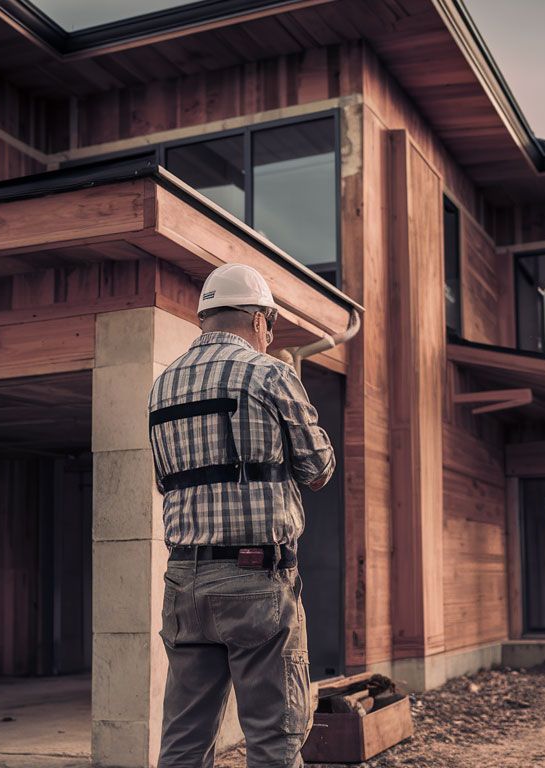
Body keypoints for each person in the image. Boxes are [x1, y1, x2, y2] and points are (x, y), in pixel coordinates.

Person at [149, 262, 335, 768]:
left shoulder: (162, 386)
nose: (270, 335)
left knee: (184, 743)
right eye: (270, 325)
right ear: (257, 319)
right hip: (256, 580)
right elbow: (318, 470)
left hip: (184, 582)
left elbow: (167, 481)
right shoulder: (270, 373)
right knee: (274, 740)